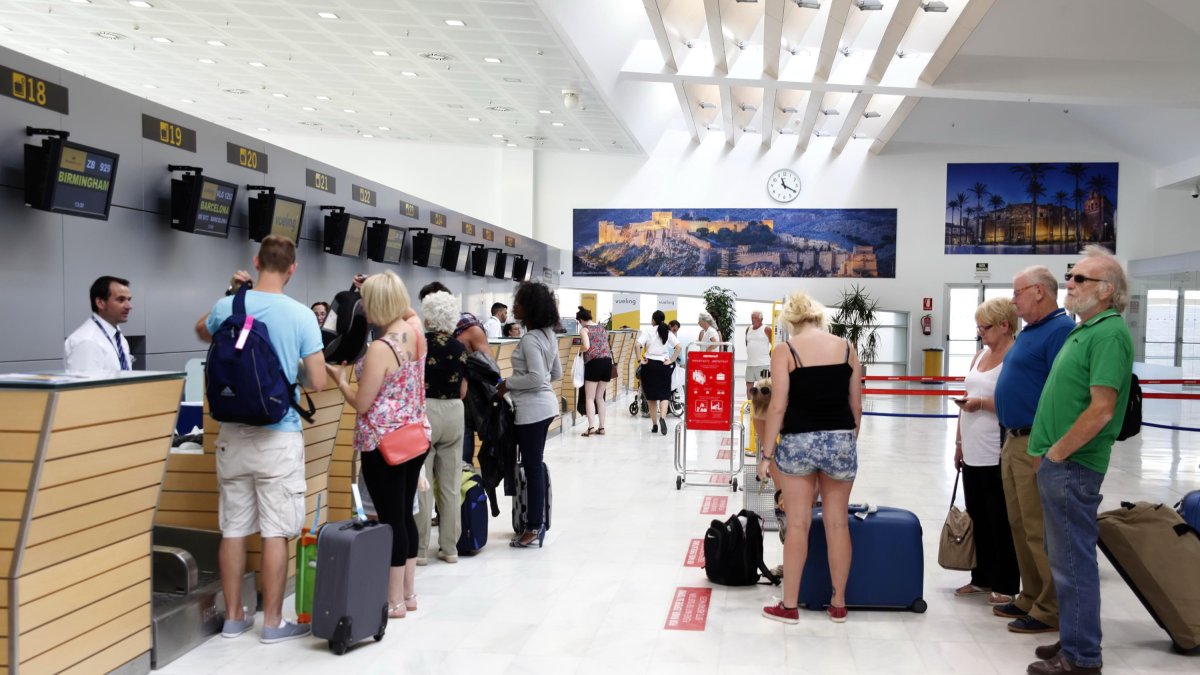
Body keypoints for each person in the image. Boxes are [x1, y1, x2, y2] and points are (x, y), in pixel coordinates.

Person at [194, 236, 325, 643]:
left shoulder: (230, 305)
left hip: (231, 434)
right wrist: (295, 369)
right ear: (293, 268)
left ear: (255, 261)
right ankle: (271, 623)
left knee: (233, 527)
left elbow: (202, 331)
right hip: (278, 434)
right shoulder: (301, 315)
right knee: (275, 530)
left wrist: (234, 294)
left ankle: (234, 617)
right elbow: (317, 381)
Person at [1026, 247, 1133, 675]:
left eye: (1079, 279)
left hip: (1072, 466)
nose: (1068, 283)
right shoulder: (1084, 329)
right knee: (1063, 558)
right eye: (1070, 276)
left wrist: (1057, 452)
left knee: (1073, 562)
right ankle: (1073, 637)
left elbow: (1102, 408)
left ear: (1106, 291)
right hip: (1059, 466)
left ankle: (1083, 657)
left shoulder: (1108, 333)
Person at [328, 271, 429, 619]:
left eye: (366, 301)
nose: (361, 308)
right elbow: (410, 310)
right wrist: (379, 281)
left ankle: (394, 602)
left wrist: (341, 382)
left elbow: (362, 403)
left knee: (391, 520)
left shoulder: (381, 349)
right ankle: (409, 594)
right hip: (414, 438)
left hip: (383, 444)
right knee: (405, 515)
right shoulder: (415, 332)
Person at [758, 290, 862, 625]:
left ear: (790, 321)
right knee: (837, 523)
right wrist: (845, 441)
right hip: (841, 439)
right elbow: (856, 405)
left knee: (799, 523)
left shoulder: (785, 350)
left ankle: (789, 607)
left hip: (798, 442)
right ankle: (839, 604)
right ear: (819, 317)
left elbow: (777, 405)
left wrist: (766, 454)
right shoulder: (847, 348)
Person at [993, 265, 1076, 635]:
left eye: (1017, 292)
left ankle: (1049, 607)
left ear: (1039, 291)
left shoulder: (1060, 332)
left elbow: (1065, 393)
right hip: (1013, 439)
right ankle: (1030, 594)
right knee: (1019, 523)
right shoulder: (1031, 333)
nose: (1014, 300)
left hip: (1035, 442)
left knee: (1038, 528)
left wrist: (1047, 446)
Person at [951, 297, 1020, 607]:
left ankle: (1006, 581)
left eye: (985, 327)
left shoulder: (1016, 356)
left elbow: (1016, 402)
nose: (981, 333)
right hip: (973, 446)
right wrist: (959, 441)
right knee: (977, 513)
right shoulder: (980, 355)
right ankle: (981, 576)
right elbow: (968, 396)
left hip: (998, 447)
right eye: (978, 327)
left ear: (1005, 325)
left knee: (1000, 518)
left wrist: (982, 405)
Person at [498, 282, 562, 549]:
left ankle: (534, 526)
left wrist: (508, 384)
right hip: (545, 408)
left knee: (533, 467)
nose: (514, 306)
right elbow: (555, 374)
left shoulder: (531, 339)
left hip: (532, 410)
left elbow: (536, 377)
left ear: (531, 307)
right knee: (533, 465)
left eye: (519, 302)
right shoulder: (548, 335)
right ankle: (534, 522)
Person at [415, 291, 468, 565]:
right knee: (449, 483)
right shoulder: (460, 347)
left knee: (422, 482)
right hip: (453, 412)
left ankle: (421, 549)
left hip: (425, 410)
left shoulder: (420, 345)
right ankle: (450, 548)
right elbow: (463, 389)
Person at [419, 282, 489, 465]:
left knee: (459, 465)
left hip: (463, 402)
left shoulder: (470, 329)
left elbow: (488, 365)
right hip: (453, 404)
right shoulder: (426, 337)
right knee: (449, 470)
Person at [64, 275, 135, 372]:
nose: (129, 306)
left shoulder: (119, 338)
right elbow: (86, 386)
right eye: (121, 300)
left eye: (129, 300)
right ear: (100, 303)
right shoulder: (87, 341)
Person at [638, 310, 682, 436]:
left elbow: (637, 345)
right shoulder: (667, 331)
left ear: (653, 320)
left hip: (649, 365)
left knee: (651, 397)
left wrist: (640, 359)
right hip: (664, 366)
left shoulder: (648, 331)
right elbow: (679, 347)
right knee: (664, 394)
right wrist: (672, 360)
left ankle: (655, 424)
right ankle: (662, 417)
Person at [576, 306, 613, 437]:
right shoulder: (602, 328)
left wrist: (578, 351)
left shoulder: (584, 329)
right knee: (600, 397)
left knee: (590, 398)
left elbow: (586, 346)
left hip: (594, 363)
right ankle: (602, 428)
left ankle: (591, 427)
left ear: (580, 319)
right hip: (607, 363)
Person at [745, 310, 773, 399]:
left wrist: (768, 356)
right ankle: (750, 405)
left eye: (755, 318)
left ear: (761, 319)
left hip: (763, 363)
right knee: (749, 384)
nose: (753, 320)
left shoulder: (767, 329)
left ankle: (764, 406)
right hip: (750, 363)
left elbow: (774, 344)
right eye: (752, 318)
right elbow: (747, 344)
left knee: (764, 385)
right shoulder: (748, 329)